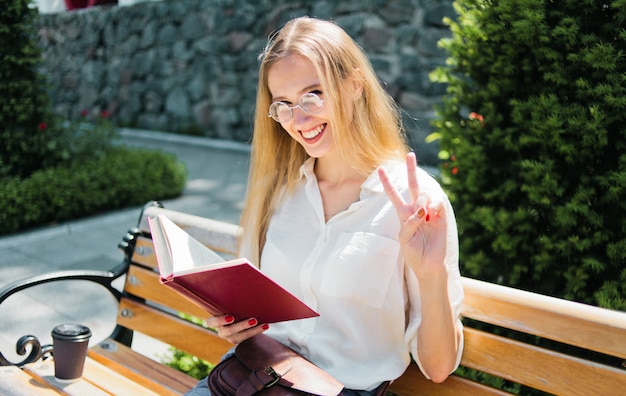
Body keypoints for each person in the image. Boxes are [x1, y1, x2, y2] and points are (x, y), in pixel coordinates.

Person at [186, 16, 464, 394]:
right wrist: (236, 323)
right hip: (252, 377)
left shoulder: (414, 201)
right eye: (282, 104)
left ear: (353, 85)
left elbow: (437, 368)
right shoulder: (279, 191)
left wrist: (432, 275)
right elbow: (253, 307)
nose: (298, 120)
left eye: (312, 95)